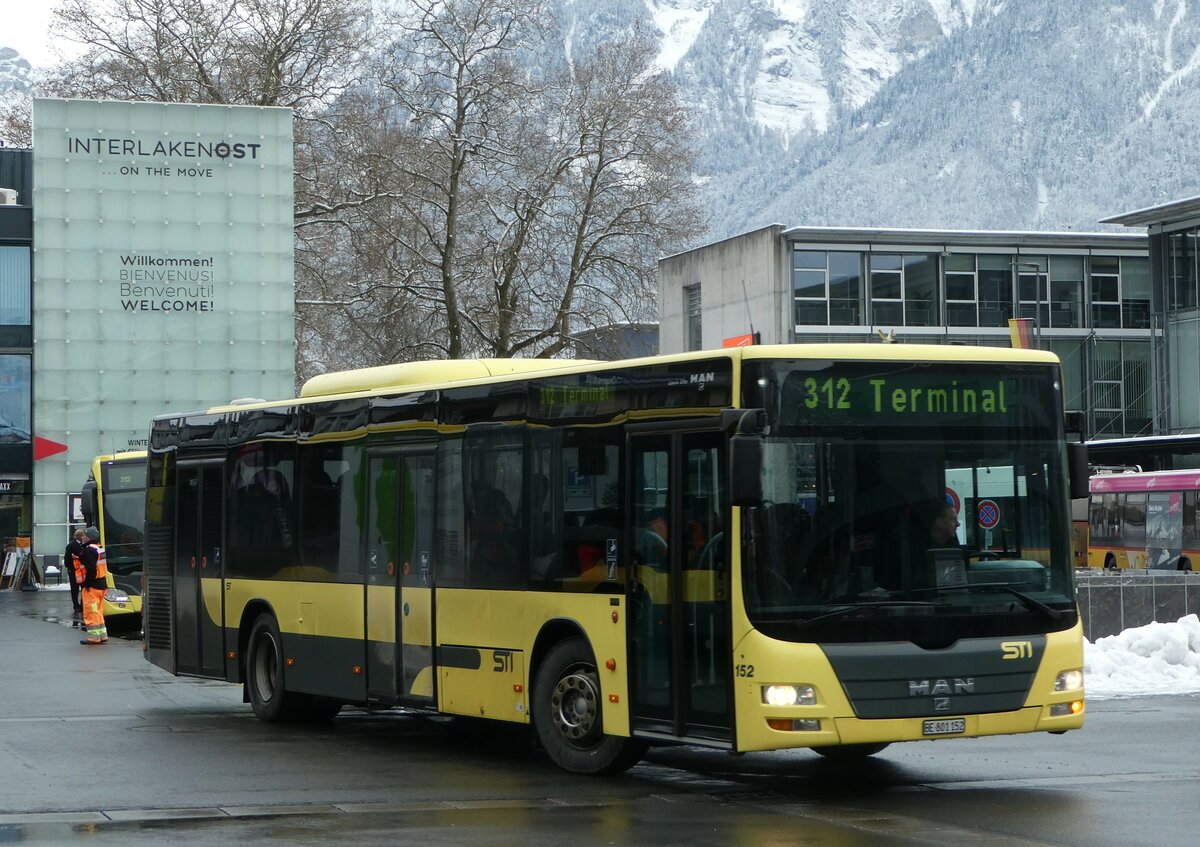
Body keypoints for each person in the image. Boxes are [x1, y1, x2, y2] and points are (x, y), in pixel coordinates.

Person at [78, 526, 109, 645]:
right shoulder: (100, 548)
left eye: (84, 535)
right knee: (98, 610)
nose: (82, 536)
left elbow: (91, 569)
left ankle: (94, 637)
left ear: (89, 537)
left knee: (91, 611)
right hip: (102, 585)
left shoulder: (89, 550)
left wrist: (87, 583)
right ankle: (102, 635)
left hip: (93, 586)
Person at [64, 528, 86, 616]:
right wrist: (71, 567)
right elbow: (67, 559)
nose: (85, 536)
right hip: (74, 571)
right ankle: (76, 606)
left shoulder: (84, 545)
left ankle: (82, 605)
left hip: (82, 571)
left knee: (84, 588)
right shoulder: (71, 546)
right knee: (75, 589)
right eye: (83, 535)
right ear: (80, 536)